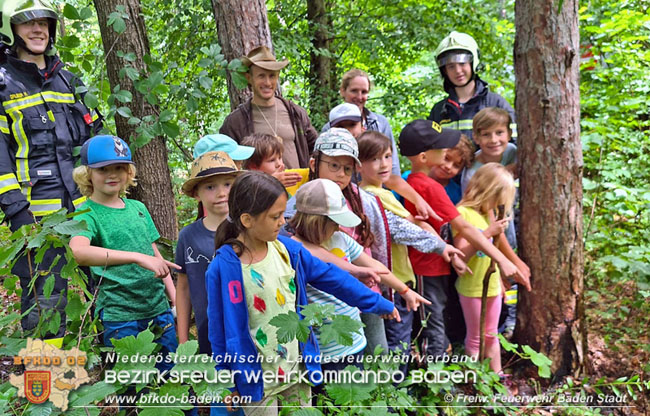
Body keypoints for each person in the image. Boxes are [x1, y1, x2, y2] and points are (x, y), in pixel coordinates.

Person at [205, 171, 395, 415]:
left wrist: (378, 303)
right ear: (247, 220)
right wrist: (227, 382)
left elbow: (333, 278)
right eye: (275, 217)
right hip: (256, 382)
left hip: (297, 372)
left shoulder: (288, 251)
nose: (283, 222)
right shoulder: (223, 268)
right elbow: (219, 332)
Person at [0, 0, 102, 345]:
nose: (38, 29)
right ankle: (45, 387)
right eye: (27, 22)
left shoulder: (69, 81)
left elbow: (95, 142)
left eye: (44, 22)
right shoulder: (3, 86)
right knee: (44, 301)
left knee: (107, 286)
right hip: (34, 217)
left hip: (87, 207)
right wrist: (17, 211)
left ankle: (118, 372)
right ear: (10, 28)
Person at [399, 119, 529, 358]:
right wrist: (504, 261)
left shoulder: (416, 182)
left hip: (438, 264)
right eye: (442, 149)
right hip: (427, 266)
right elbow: (465, 228)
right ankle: (435, 377)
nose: (446, 152)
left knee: (439, 318)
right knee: (433, 323)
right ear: (424, 157)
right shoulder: (429, 187)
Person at [69, 135, 179, 368]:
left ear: (128, 172)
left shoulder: (138, 208)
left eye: (119, 168)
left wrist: (175, 298)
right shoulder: (86, 212)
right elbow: (78, 252)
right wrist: (136, 257)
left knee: (171, 375)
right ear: (87, 173)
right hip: (120, 315)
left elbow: (155, 256)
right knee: (129, 379)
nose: (112, 174)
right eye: (103, 169)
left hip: (158, 309)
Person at [356, 130, 468, 358]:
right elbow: (401, 229)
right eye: (374, 159)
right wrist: (440, 246)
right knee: (397, 344)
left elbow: (412, 221)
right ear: (358, 165)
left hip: (397, 277)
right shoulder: (372, 196)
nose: (383, 164)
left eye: (387, 156)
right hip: (391, 282)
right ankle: (396, 388)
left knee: (398, 339)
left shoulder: (382, 192)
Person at [323, 70, 440, 221]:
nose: (359, 97)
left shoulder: (380, 124)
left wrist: (407, 201)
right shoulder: (329, 130)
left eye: (364, 91)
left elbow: (392, 172)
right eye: (354, 91)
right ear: (343, 91)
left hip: (379, 198)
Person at [451, 163, 529, 376]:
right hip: (472, 288)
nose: (500, 205)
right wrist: (487, 233)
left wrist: (501, 284)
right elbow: (461, 255)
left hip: (491, 286)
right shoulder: (463, 213)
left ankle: (497, 377)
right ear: (486, 191)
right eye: (499, 199)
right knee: (476, 337)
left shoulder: (488, 214)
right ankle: (471, 378)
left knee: (491, 334)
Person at [460, 107, 523, 337]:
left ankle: (513, 318)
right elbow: (477, 210)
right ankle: (502, 324)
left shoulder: (515, 153)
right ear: (476, 137)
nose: (494, 140)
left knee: (513, 278)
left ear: (508, 133)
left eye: (499, 133)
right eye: (486, 134)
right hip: (491, 230)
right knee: (500, 274)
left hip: (515, 224)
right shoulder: (472, 172)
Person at [176, 151, 242, 355]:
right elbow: (183, 288)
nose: (221, 193)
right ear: (196, 193)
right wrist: (183, 340)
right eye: (210, 186)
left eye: (228, 184)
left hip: (247, 329)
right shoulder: (188, 236)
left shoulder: (247, 229)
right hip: (209, 337)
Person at [219, 46, 318, 169]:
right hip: (259, 188)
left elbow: (317, 147)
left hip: (300, 187)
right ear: (249, 78)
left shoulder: (295, 113)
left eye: (272, 76)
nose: (267, 82)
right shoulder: (235, 122)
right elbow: (227, 166)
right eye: (261, 76)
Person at [428, 31, 517, 143]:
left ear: (473, 63)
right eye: (451, 66)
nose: (458, 71)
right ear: (444, 71)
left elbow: (514, 146)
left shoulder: (495, 103)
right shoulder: (439, 111)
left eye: (462, 64)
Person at [240, 133, 306, 195]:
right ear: (253, 166)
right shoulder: (245, 187)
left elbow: (308, 173)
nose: (279, 164)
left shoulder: (286, 177)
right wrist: (272, 183)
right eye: (272, 160)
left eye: (280, 158)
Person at [429, 134, 475, 205]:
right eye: (446, 158)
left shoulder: (456, 194)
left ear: (460, 171)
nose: (449, 167)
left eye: (456, 166)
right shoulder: (409, 177)